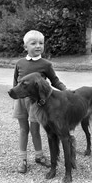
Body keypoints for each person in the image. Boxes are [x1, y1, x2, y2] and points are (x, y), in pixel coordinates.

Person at [12, 30, 67, 173]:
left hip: (36, 103)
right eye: (34, 43)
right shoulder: (20, 63)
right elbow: (15, 83)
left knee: (35, 130)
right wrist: (14, 98)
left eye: (41, 43)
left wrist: (65, 90)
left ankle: (39, 156)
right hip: (21, 102)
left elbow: (54, 80)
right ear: (25, 47)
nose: (38, 46)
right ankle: (22, 159)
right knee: (23, 129)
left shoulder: (46, 64)